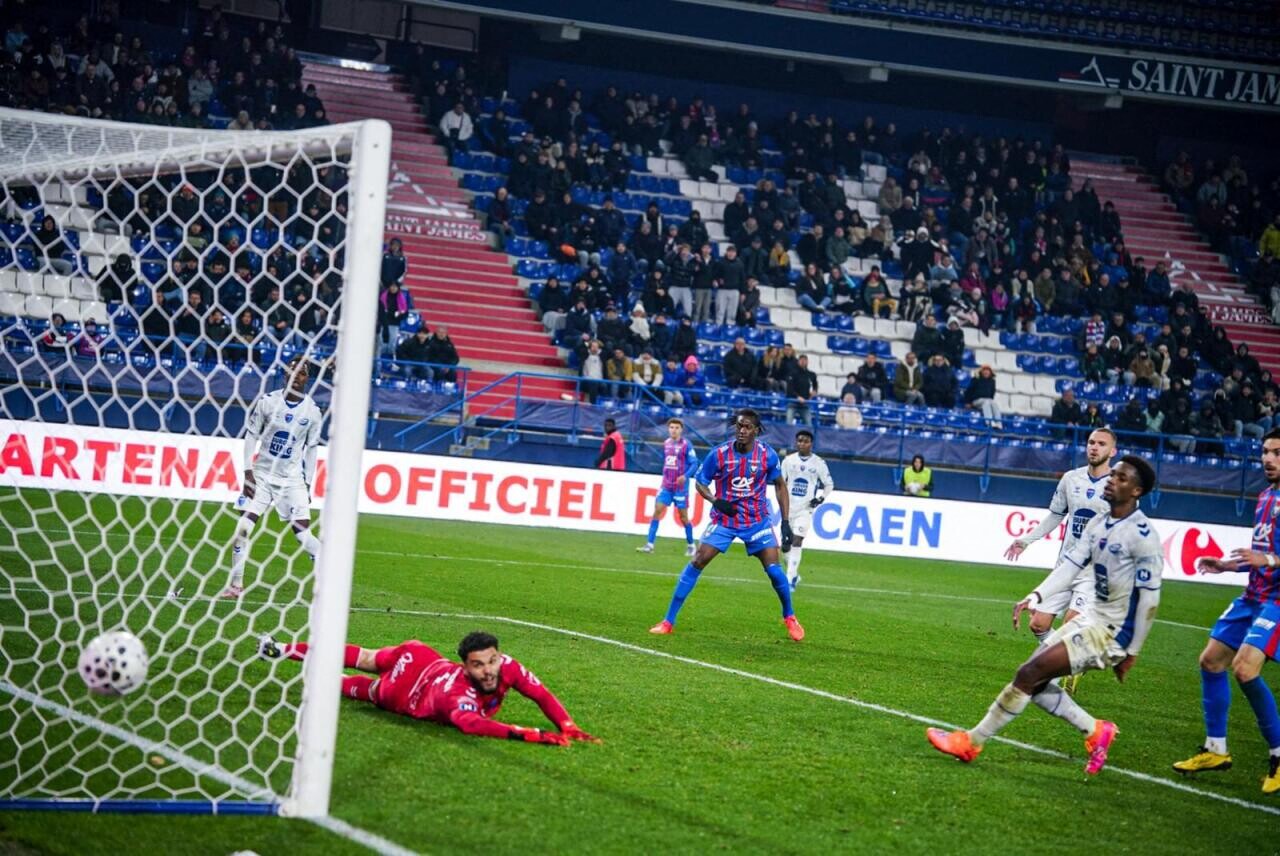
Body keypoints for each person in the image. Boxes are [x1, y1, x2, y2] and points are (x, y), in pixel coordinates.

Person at [926, 456, 1161, 774]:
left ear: (1136, 490)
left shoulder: (1143, 536)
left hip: (1112, 632)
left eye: (1120, 478)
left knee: (1028, 675)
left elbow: (1150, 598)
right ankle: (1095, 730)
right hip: (1091, 618)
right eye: (1113, 474)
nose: (1111, 480)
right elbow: (1071, 565)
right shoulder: (1098, 523)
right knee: (1032, 679)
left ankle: (970, 742)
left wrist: (1131, 651)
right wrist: (1036, 595)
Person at [257, 630, 597, 745]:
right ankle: (286, 651)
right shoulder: (457, 696)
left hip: (422, 657)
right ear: (465, 666)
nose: (488, 670)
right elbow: (471, 724)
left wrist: (567, 725)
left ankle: (282, 649)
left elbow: (540, 692)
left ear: (498, 656)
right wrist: (530, 734)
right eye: (478, 665)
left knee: (365, 657)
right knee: (355, 683)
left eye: (491, 661)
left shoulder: (507, 666)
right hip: (403, 691)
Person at [1173, 428, 1280, 793]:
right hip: (1253, 595)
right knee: (1211, 660)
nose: (1268, 459)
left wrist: (1266, 558)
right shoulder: (1266, 496)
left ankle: (1278, 757)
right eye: (1265, 452)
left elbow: (1268, 557)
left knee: (1245, 670)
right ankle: (1216, 749)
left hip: (1278, 602)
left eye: (1277, 453)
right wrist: (1226, 566)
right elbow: (1259, 558)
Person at [649, 409, 804, 641]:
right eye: (739, 426)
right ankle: (668, 621)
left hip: (756, 520)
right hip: (725, 520)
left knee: (774, 571)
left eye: (747, 427)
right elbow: (700, 482)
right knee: (697, 560)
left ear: (756, 431)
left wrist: (784, 522)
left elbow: (780, 486)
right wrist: (716, 501)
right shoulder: (719, 454)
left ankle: (789, 617)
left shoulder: (767, 455)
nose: (742, 431)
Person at [1004, 428, 1117, 694]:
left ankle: (1056, 671)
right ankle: (1071, 663)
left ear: (1112, 451)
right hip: (1065, 566)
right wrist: (1027, 540)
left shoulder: (1117, 485)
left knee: (1070, 625)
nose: (1094, 448)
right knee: (1039, 624)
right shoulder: (1071, 479)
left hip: (1092, 572)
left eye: (1101, 444)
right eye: (1091, 442)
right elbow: (1055, 515)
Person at [222, 356, 322, 599]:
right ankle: (236, 585)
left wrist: (308, 482)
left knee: (303, 535)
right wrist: (247, 472)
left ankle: (328, 581)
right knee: (242, 528)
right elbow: (251, 436)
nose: (296, 376)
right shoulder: (267, 403)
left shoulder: (313, 412)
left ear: (307, 378)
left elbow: (311, 449)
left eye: (302, 373)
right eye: (292, 371)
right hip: (262, 477)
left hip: (292, 481)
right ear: (285, 374)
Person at [780, 430, 834, 590]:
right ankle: (794, 574)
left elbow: (829, 484)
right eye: (799, 441)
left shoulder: (819, 463)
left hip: (805, 508)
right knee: (785, 546)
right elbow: (781, 484)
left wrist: (820, 498)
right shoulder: (788, 461)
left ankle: (789, 579)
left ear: (811, 443)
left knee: (797, 539)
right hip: (788, 507)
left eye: (805, 441)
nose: (802, 444)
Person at [637, 417, 698, 557]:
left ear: (681, 430)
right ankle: (649, 545)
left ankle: (691, 545)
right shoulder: (666, 443)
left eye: (677, 428)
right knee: (657, 511)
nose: (674, 430)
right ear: (668, 429)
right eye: (671, 427)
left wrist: (685, 476)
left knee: (683, 517)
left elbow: (695, 463)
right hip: (666, 485)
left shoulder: (686, 445)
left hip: (680, 487)